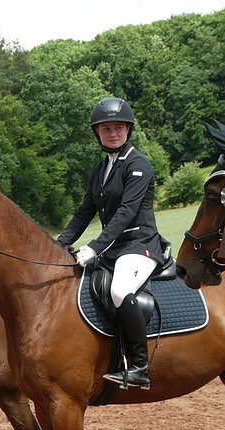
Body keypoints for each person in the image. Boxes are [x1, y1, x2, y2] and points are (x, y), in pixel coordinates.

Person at [56, 97, 164, 390]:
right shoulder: (99, 171)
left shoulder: (139, 165)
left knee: (119, 289)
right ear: (98, 133)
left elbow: (126, 214)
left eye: (118, 127)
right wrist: (59, 244)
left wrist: (93, 247)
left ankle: (140, 366)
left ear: (128, 129)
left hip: (139, 244)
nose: (112, 133)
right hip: (114, 249)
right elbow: (83, 213)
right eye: (106, 129)